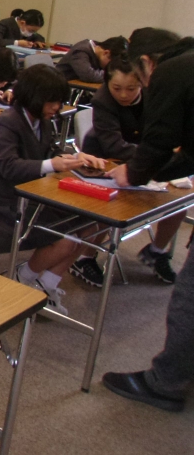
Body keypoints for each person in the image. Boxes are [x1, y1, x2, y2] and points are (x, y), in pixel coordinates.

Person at [103, 28, 194, 412]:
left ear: (146, 62)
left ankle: (166, 383)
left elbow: (158, 141)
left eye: (139, 82)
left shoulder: (172, 71)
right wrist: (155, 171)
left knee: (190, 296)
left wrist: (134, 173)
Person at [0, 65, 107, 314]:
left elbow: (50, 150)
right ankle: (23, 277)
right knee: (66, 239)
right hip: (3, 205)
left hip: (31, 193)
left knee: (91, 223)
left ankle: (47, 283)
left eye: (59, 101)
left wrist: (75, 158)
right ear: (33, 97)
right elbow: (9, 167)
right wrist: (52, 164)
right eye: (52, 101)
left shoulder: (41, 121)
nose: (57, 107)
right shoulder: (7, 124)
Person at [79, 56, 182, 284]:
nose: (124, 94)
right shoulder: (103, 101)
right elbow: (113, 145)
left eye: (131, 88)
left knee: (178, 202)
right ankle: (85, 257)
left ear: (142, 84)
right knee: (109, 206)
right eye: (117, 88)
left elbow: (162, 131)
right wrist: (154, 156)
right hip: (102, 160)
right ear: (107, 83)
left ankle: (156, 251)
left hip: (141, 159)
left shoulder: (154, 95)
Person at [56, 36, 127, 84]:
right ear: (106, 53)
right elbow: (89, 76)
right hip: (61, 85)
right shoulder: (81, 51)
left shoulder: (96, 49)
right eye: (111, 63)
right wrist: (114, 74)